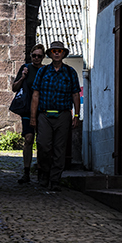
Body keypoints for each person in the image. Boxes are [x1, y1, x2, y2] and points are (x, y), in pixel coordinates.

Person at [30, 40, 80, 191]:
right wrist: (33, 117)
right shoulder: (43, 72)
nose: (57, 53)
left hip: (63, 115)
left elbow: (76, 95)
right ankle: (44, 173)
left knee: (60, 149)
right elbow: (35, 95)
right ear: (50, 54)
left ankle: (55, 179)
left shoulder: (70, 72)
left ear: (64, 53)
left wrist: (76, 115)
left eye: (59, 51)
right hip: (44, 115)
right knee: (43, 145)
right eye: (54, 51)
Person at [12, 44, 45, 184]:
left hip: (42, 109)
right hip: (27, 108)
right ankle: (26, 171)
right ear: (31, 55)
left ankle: (42, 171)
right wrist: (23, 77)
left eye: (39, 56)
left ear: (43, 57)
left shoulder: (45, 70)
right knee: (29, 139)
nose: (36, 58)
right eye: (34, 55)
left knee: (43, 142)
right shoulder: (26, 68)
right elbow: (14, 88)